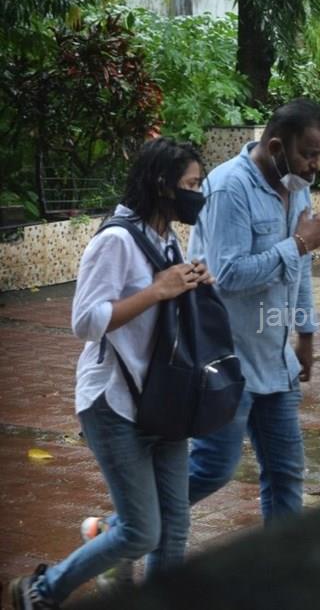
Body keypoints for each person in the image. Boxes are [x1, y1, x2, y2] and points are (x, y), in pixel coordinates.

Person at [10, 138, 212, 609]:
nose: (198, 195)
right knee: (141, 530)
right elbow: (84, 321)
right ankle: (39, 591)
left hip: (162, 397)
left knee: (174, 526)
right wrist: (157, 290)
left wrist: (193, 282)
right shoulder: (116, 240)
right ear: (162, 185)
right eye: (191, 185)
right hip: (114, 402)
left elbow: (165, 308)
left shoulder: (166, 238)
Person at [186, 98, 320, 521]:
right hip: (226, 359)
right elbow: (227, 274)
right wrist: (297, 244)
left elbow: (302, 267)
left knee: (286, 473)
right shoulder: (229, 187)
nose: (316, 165)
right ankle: (123, 527)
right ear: (277, 146)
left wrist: (306, 334)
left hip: (275, 359)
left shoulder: (298, 186)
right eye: (309, 154)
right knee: (211, 470)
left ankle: (282, 563)